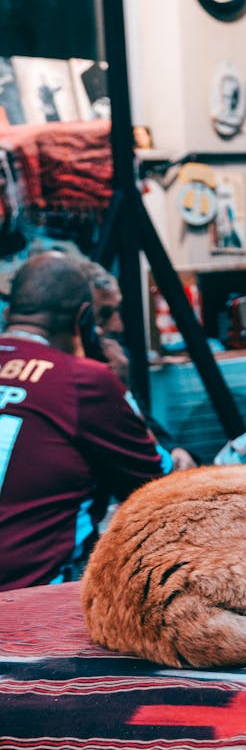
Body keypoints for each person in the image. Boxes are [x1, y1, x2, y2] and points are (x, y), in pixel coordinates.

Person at [0, 252, 175, 591]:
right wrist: (117, 386)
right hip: (28, 602)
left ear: (8, 314)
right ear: (83, 319)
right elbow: (155, 486)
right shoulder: (82, 380)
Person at [82, 260, 198, 470]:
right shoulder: (68, 376)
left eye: (118, 311)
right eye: (105, 314)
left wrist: (172, 449)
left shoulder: (116, 357)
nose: (118, 325)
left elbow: (142, 419)